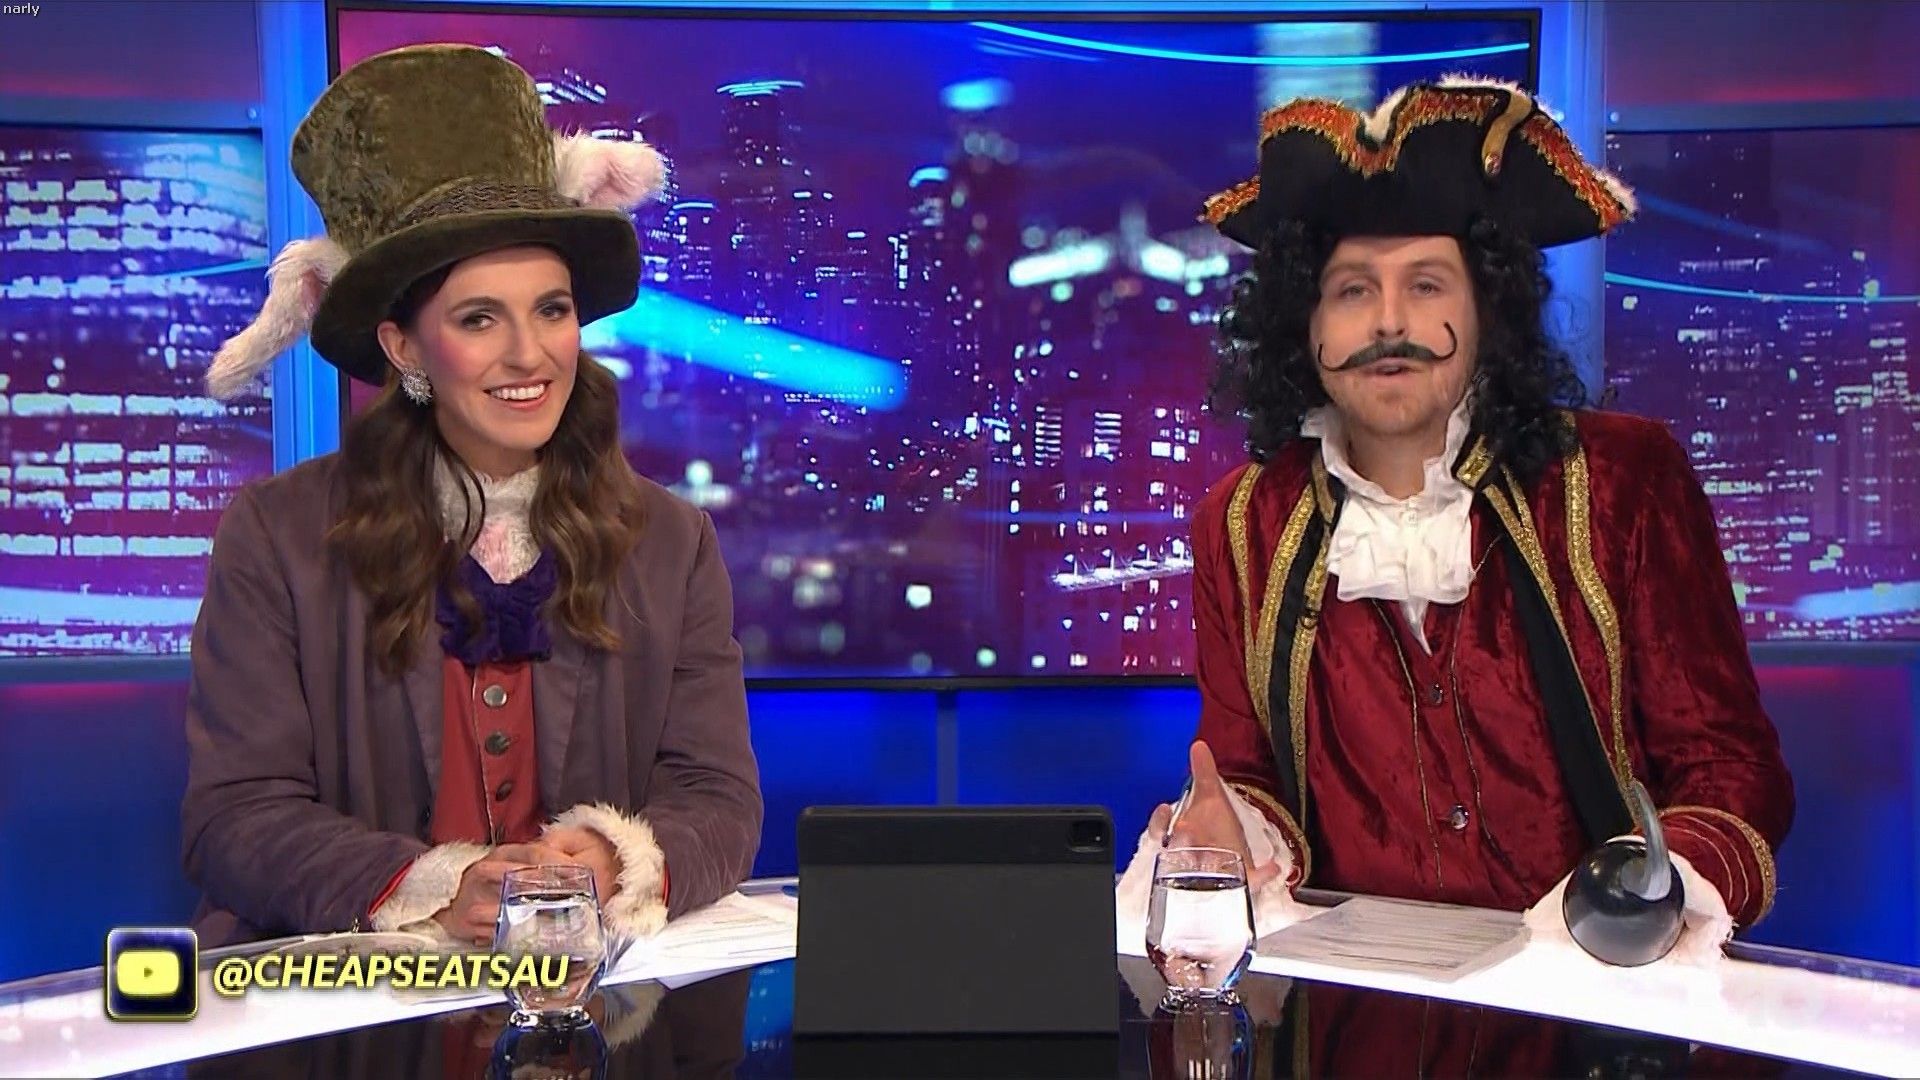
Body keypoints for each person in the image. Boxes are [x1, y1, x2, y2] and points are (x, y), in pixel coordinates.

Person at [1119, 76, 1793, 963]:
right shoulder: (1240, 526)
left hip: (1605, 998)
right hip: (1361, 1010)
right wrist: (1229, 827)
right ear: (1303, 322)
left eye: (1427, 284)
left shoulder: (1623, 481)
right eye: (1351, 290)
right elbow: (1249, 774)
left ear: (1487, 308)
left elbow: (1728, 770)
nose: (1389, 321)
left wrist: (1643, 896)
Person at [181, 43, 761, 948]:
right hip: (356, 995)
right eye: (479, 318)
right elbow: (234, 817)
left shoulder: (671, 540)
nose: (530, 354)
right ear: (405, 348)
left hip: (586, 992)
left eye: (552, 310)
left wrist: (615, 859)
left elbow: (717, 798)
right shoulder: (277, 536)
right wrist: (433, 888)